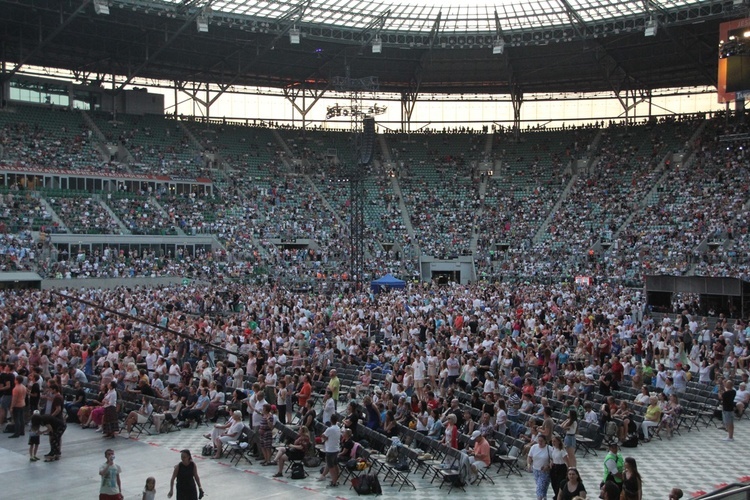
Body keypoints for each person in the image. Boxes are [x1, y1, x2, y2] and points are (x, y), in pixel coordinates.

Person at [527, 434, 552, 500]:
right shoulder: (534, 447)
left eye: (542, 441)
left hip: (545, 471)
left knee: (539, 487)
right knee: (542, 487)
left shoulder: (549, 449)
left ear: (545, 441)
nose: (540, 442)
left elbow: (553, 460)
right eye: (539, 441)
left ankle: (539, 498)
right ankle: (544, 497)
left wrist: (548, 466)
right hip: (535, 470)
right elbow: (529, 457)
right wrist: (529, 464)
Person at [321, 413, 341, 488]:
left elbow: (323, 436)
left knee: (331, 467)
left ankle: (334, 482)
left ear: (330, 420)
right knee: (335, 465)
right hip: (336, 449)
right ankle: (337, 479)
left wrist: (325, 439)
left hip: (330, 450)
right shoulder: (338, 428)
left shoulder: (330, 429)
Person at [549, 434, 569, 499]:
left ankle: (559, 496)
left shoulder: (562, 451)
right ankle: (556, 494)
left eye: (554, 441)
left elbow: (567, 461)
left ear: (558, 442)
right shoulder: (553, 449)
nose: (553, 443)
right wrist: (551, 462)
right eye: (552, 441)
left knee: (559, 483)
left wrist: (569, 469)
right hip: (554, 467)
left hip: (561, 467)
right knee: (553, 482)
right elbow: (552, 458)